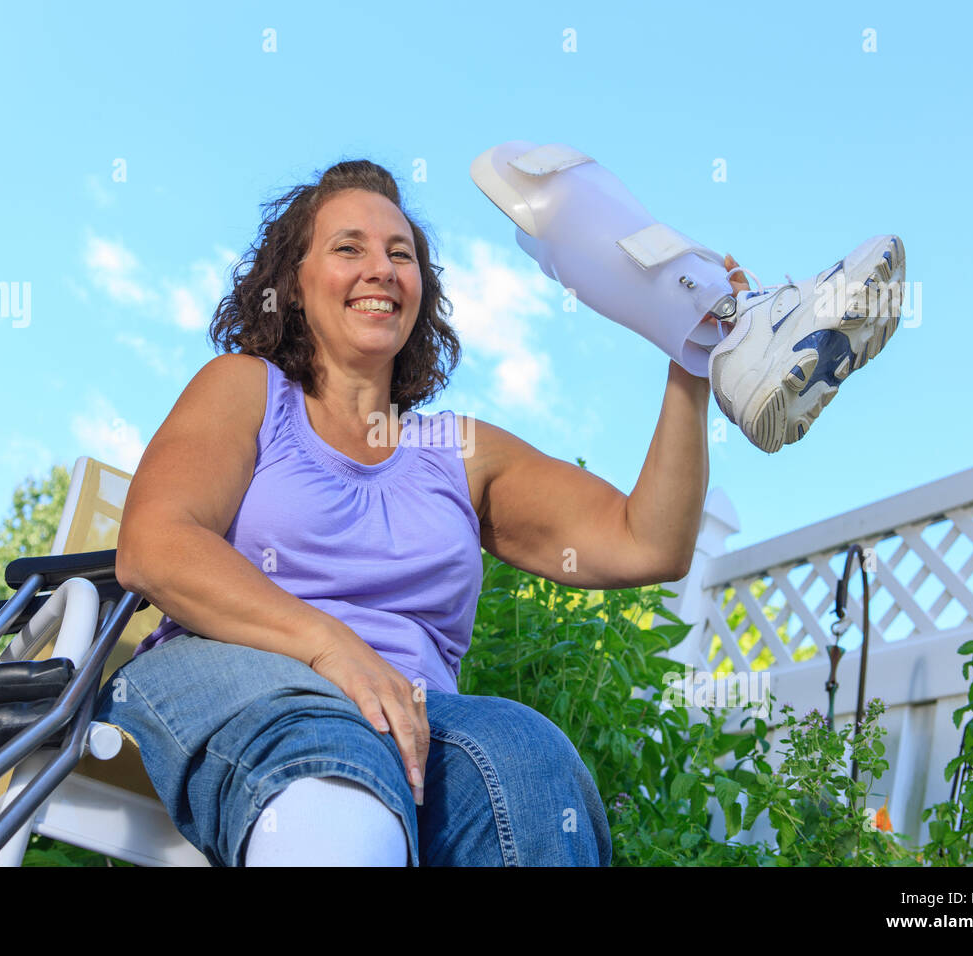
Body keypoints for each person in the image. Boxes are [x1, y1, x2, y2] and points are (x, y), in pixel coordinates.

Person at [95, 155, 724, 868]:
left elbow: (648, 544)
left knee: (526, 756)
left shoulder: (457, 452)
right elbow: (154, 545)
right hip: (247, 681)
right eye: (348, 248)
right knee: (338, 773)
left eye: (402, 254)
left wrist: (689, 359)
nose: (382, 269)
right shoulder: (247, 390)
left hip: (415, 719)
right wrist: (335, 648)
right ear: (295, 286)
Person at [470, 141, 906, 453]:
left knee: (567, 204)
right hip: (694, 299)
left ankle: (742, 325)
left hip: (705, 310)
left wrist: (718, 320)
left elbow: (657, 552)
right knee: (562, 200)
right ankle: (748, 323)